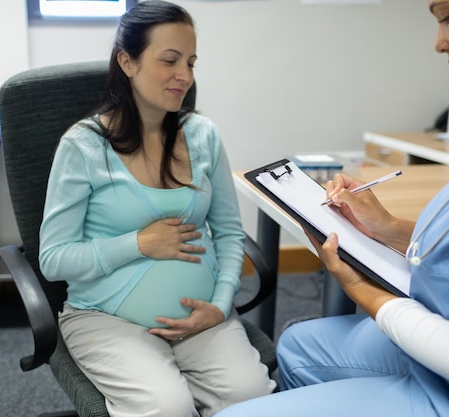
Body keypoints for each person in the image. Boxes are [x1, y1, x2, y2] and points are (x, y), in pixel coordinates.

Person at [214, 1, 449, 416]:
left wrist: (364, 291)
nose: (439, 42)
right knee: (297, 345)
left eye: (445, 15)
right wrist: (386, 228)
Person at [38, 1, 276, 416]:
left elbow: (229, 231)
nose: (184, 76)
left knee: (251, 399)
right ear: (127, 62)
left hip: (200, 318)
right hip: (107, 318)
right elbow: (53, 259)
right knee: (167, 407)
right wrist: (140, 243)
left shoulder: (202, 135)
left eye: (191, 62)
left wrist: (220, 305)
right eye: (169, 60)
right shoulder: (84, 145)